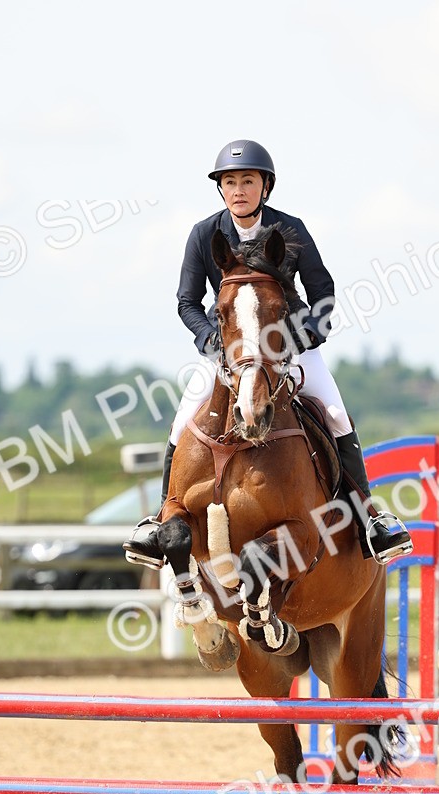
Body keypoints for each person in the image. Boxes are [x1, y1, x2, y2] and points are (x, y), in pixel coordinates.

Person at [123, 139, 413, 567]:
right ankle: (160, 517)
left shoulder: (290, 229)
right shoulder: (204, 234)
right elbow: (187, 301)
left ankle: (370, 516)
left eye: (247, 181)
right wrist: (210, 340)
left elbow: (323, 293)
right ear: (221, 189)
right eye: (230, 182)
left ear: (265, 186)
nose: (238, 189)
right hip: (229, 349)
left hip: (287, 347)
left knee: (333, 412)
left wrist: (304, 336)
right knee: (183, 418)